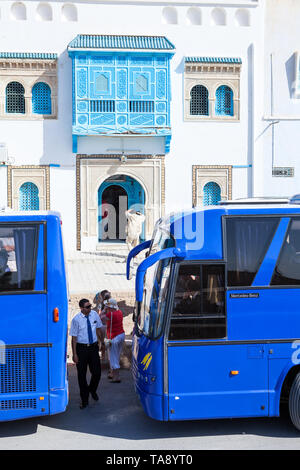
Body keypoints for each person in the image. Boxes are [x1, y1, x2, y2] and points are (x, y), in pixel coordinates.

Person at [69, 298, 105, 409]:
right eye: (87, 307)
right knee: (82, 375)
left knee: (97, 372)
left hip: (93, 347)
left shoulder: (94, 315)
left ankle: (92, 390)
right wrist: (74, 354)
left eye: (90, 306)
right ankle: (84, 400)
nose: (90, 308)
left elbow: (99, 329)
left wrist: (101, 342)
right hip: (81, 349)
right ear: (81, 308)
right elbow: (74, 338)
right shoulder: (76, 320)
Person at [103, 298, 125, 383]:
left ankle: (116, 377)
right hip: (121, 335)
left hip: (114, 337)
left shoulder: (110, 315)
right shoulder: (119, 312)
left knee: (113, 357)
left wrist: (104, 310)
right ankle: (113, 374)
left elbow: (100, 318)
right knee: (117, 355)